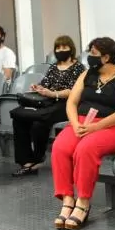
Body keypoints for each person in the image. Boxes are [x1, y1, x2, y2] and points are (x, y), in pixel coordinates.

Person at [51, 38, 115, 230]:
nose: (89, 57)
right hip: (83, 123)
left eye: (94, 54)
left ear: (106, 57)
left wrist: (95, 128)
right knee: (60, 147)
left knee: (86, 148)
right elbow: (71, 102)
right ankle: (67, 199)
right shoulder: (86, 75)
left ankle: (83, 202)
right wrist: (74, 124)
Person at [11, 36, 86, 177]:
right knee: (19, 118)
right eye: (58, 48)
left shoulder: (78, 68)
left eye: (64, 48)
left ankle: (38, 159)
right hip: (48, 101)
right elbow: (45, 85)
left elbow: (75, 90)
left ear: (71, 49)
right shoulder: (53, 67)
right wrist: (38, 88)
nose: (61, 50)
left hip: (67, 104)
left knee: (40, 122)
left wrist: (53, 94)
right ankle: (26, 162)